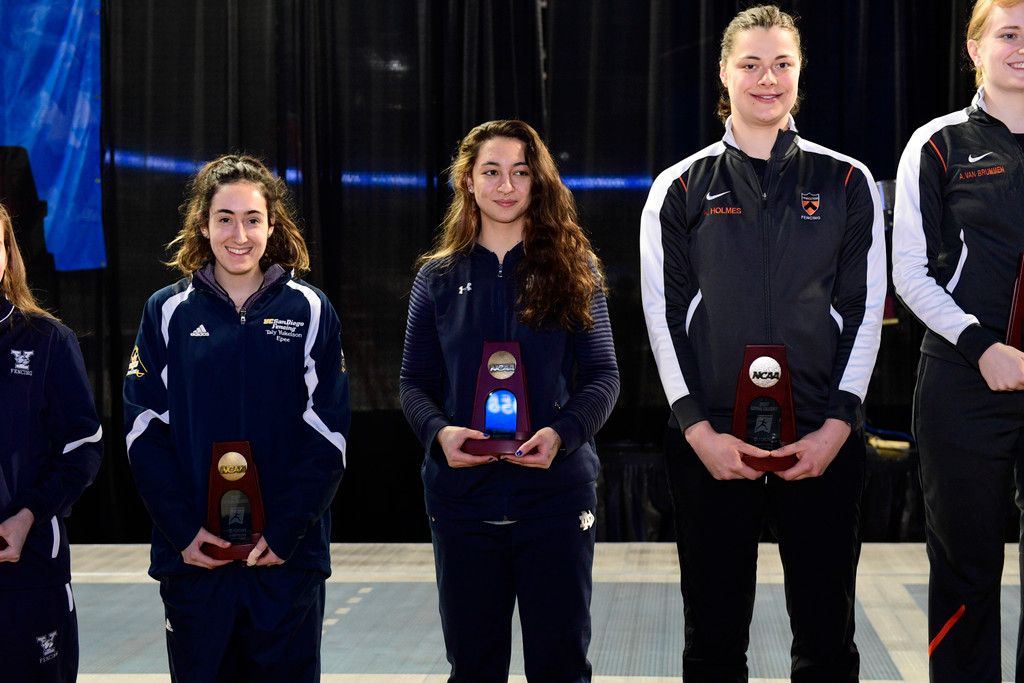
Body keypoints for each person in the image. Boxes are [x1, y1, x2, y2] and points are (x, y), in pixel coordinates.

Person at [640, 5, 886, 681]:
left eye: (782, 64)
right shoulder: (678, 187)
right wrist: (699, 433)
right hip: (713, 444)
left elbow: (864, 313)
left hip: (822, 441)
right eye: (750, 63)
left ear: (799, 76)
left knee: (827, 641)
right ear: (724, 73)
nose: (766, 78)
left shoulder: (847, 181)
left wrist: (838, 427)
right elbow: (662, 319)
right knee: (714, 642)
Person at [399, 119, 619, 682]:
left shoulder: (575, 269)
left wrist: (564, 435)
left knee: (561, 666)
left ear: (537, 182)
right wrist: (439, 434)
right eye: (491, 171)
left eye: (520, 172)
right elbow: (413, 384)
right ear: (467, 182)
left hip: (554, 497)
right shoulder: (437, 278)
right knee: (473, 667)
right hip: (463, 501)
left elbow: (603, 377)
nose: (506, 185)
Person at [123, 154, 350, 682]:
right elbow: (143, 431)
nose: (239, 234)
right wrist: (183, 532)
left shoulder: (311, 310)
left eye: (252, 219)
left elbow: (330, 435)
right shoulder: (165, 311)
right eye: (225, 218)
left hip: (286, 560)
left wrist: (287, 530)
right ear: (203, 224)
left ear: (273, 226)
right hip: (196, 559)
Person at [891, 1, 1024, 679]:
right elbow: (909, 271)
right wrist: (982, 346)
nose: (1021, 47)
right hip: (965, 382)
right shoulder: (938, 143)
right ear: (975, 49)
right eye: (1008, 34)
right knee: (967, 570)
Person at [0, 202, 103, 682]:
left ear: (7, 254)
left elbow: (82, 447)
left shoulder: (47, 341)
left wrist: (27, 516)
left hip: (30, 573)